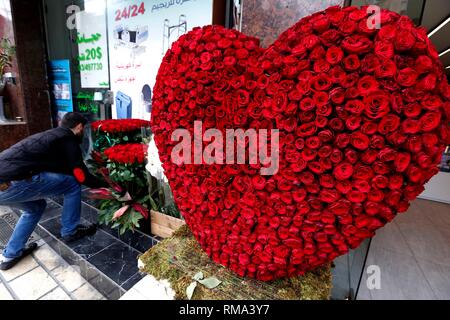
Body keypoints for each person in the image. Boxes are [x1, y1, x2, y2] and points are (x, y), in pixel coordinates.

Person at [0, 112, 104, 270]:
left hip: (5, 184)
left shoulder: (51, 135)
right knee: (73, 184)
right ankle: (70, 230)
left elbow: (58, 166)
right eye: (84, 129)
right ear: (79, 127)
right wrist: (107, 185)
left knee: (35, 208)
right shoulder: (67, 138)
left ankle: (11, 254)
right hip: (11, 182)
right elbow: (81, 176)